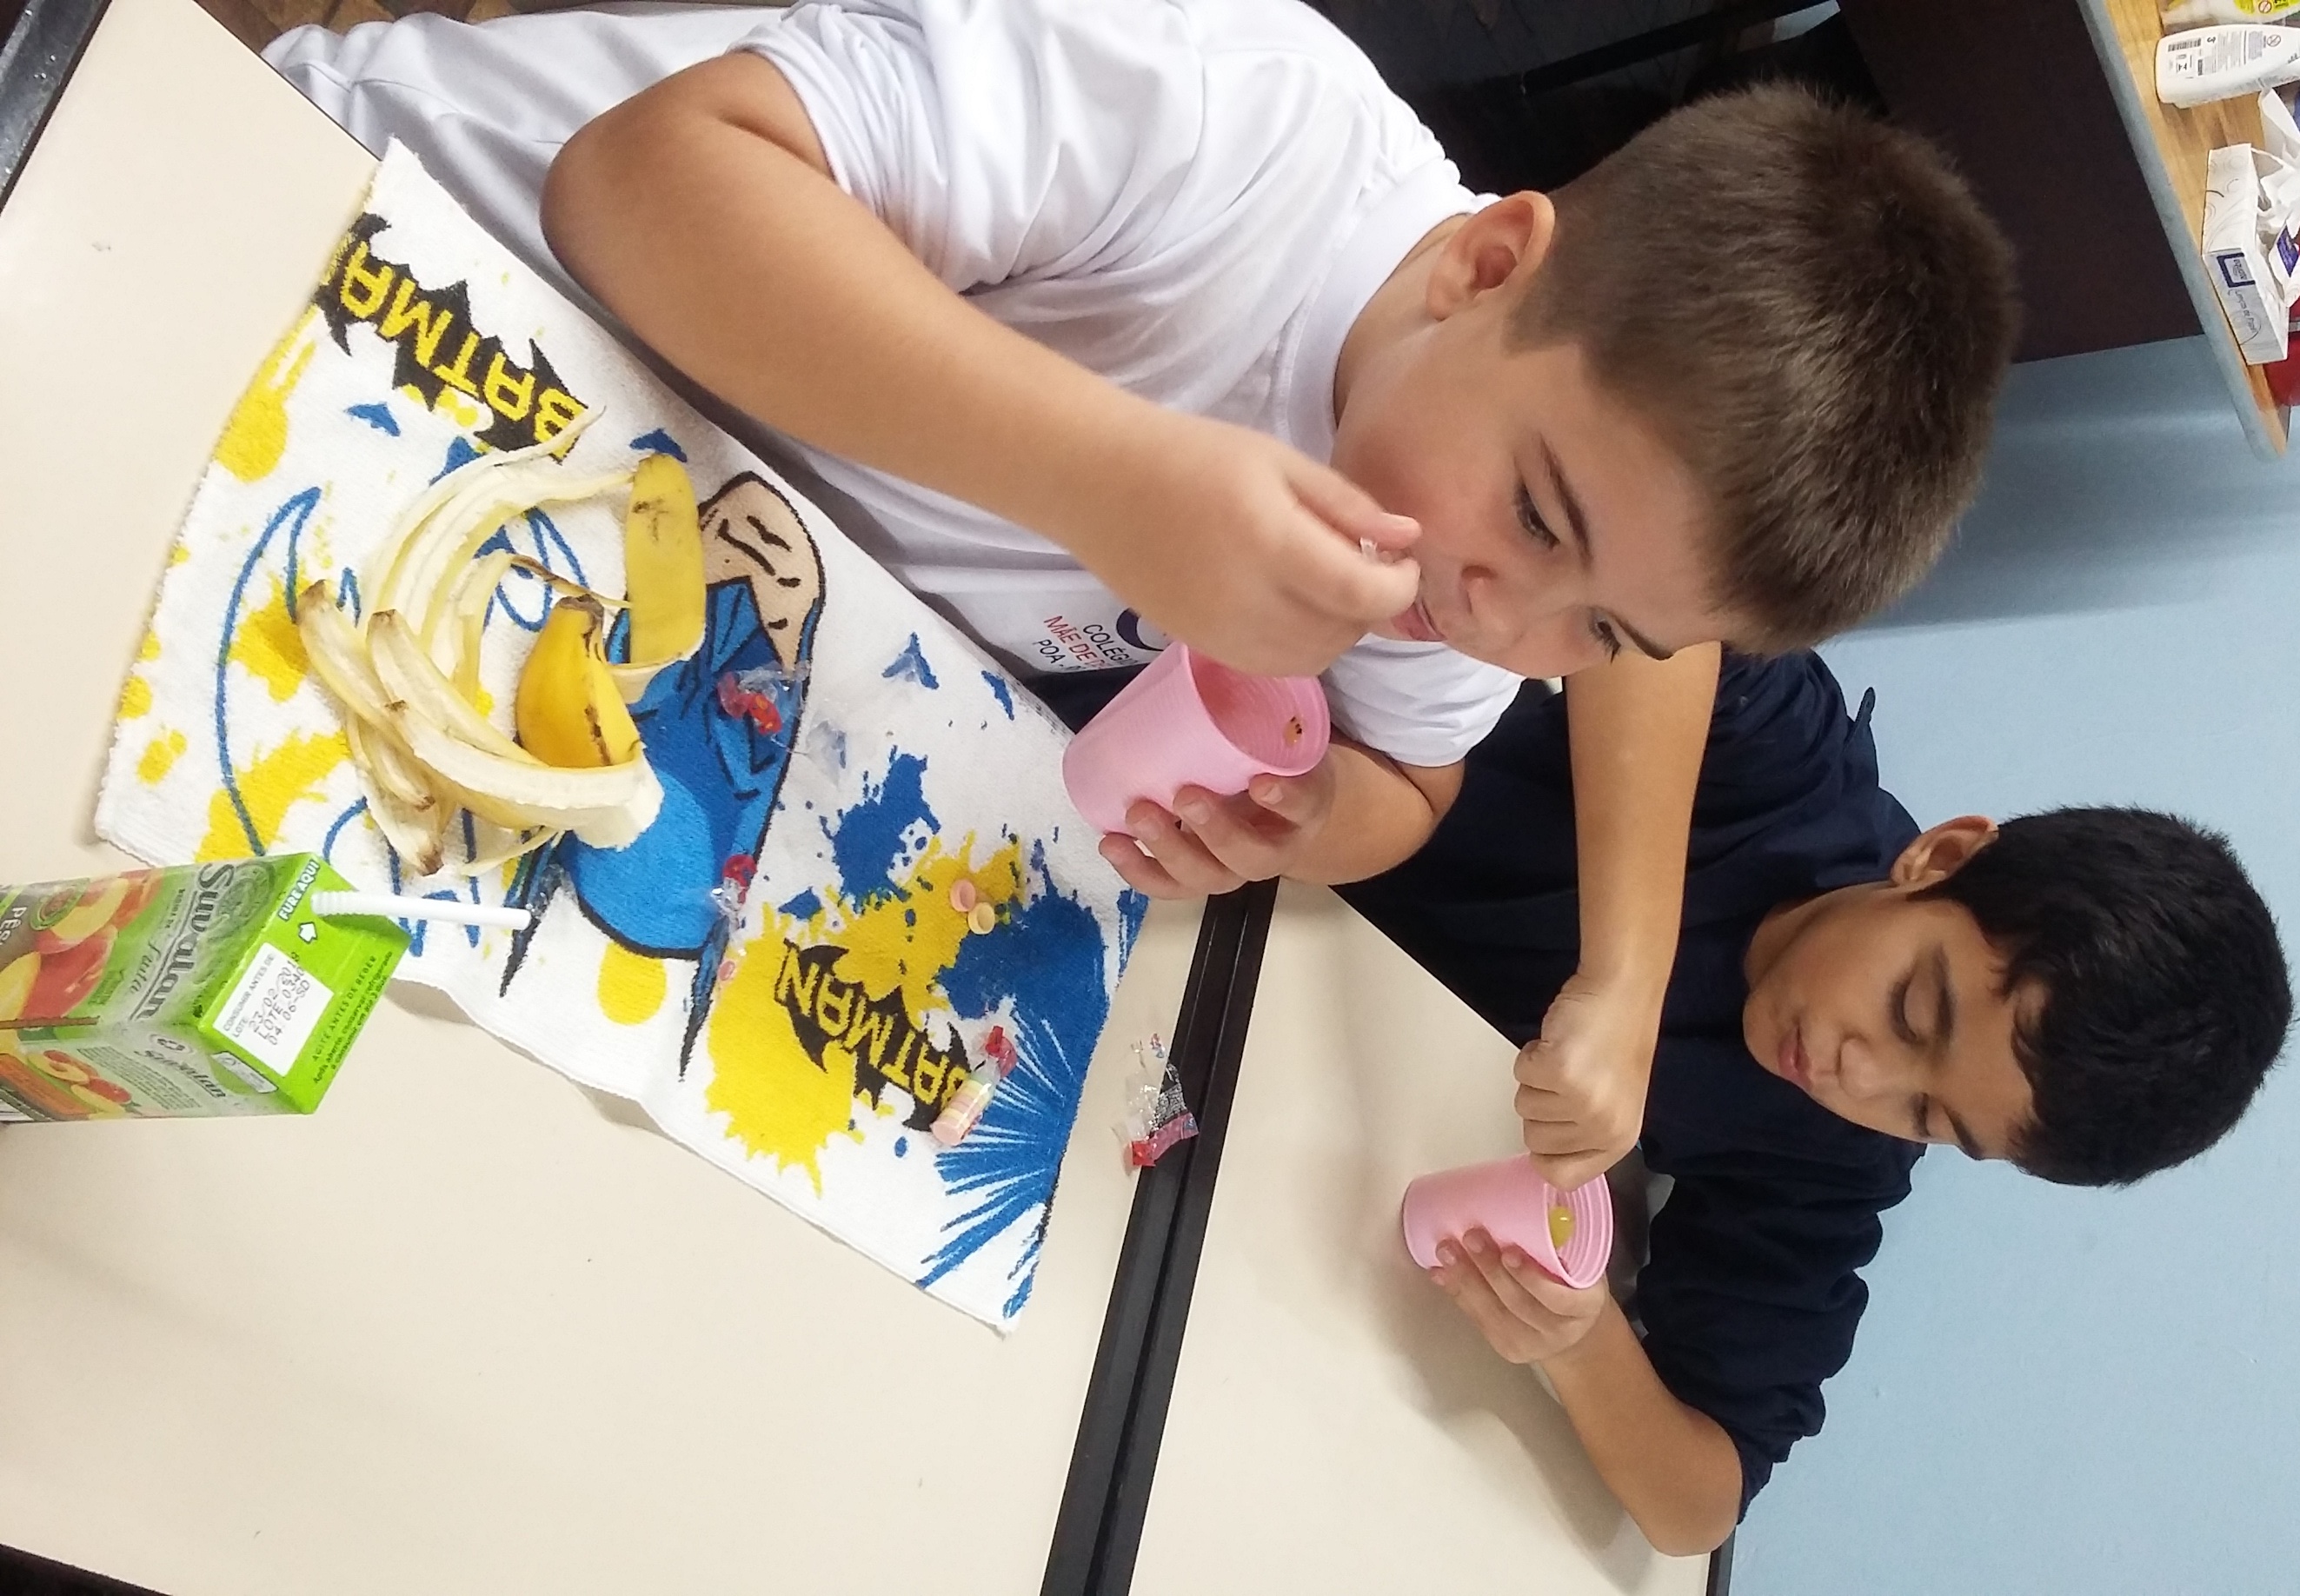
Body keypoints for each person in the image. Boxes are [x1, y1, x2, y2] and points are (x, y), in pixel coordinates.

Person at [263, 0, 2014, 1203]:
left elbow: (1415, 782)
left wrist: (1308, 812)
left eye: (1602, 636)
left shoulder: (1485, 592)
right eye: (1539, 514)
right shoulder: (1225, 113)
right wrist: (1108, 478)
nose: (1501, 621)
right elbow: (638, 188)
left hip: (583, 580)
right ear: (1488, 265)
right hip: (358, 250)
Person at [1339, 652, 2296, 1554]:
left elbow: (1698, 1504)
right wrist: (1624, 984)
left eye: (1929, 1119)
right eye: (1912, 1010)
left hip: (1321, 1088)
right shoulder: (1784, 759)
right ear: (1941, 858)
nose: (1859, 1078)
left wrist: (1581, 1340)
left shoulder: (1833, 1156)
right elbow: (1661, 633)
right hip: (1313, 788)